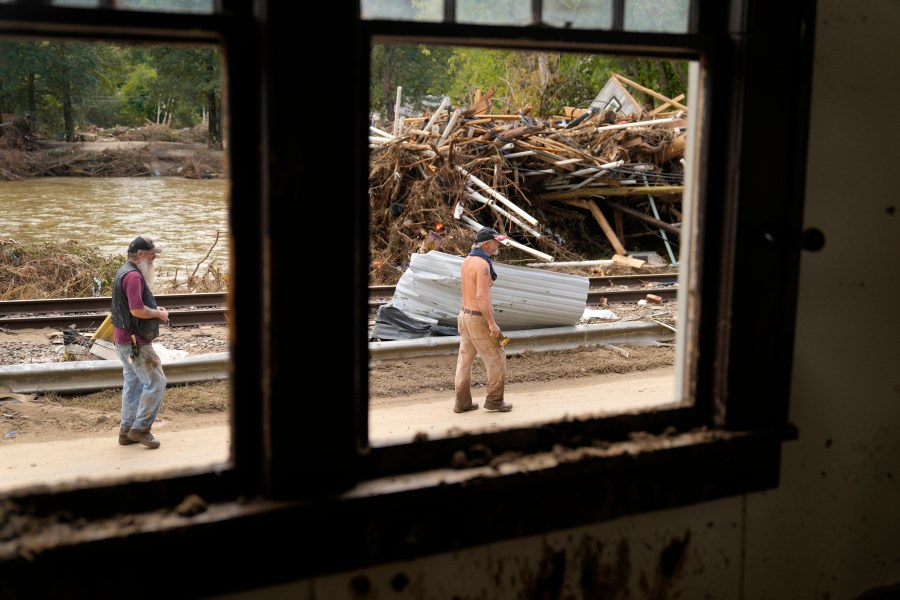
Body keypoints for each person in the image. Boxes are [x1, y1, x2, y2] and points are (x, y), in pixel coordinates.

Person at [111, 235, 170, 448]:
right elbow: (136, 310)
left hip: (123, 339)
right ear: (140, 254)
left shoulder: (124, 271)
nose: (154, 257)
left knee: (133, 383)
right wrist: (159, 314)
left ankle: (126, 432)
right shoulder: (134, 277)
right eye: (152, 253)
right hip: (135, 341)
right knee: (156, 381)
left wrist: (155, 312)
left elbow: (133, 307)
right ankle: (141, 428)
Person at [453, 226, 513, 413]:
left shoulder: (468, 260)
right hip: (478, 318)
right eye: (496, 242)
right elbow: (481, 297)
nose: (498, 245)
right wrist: (491, 323)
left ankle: (462, 402)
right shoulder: (483, 265)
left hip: (464, 316)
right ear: (487, 244)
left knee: (464, 360)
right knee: (496, 357)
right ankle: (495, 400)